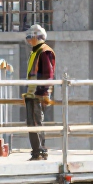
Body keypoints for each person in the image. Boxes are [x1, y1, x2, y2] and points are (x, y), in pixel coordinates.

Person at [23, 24, 55, 161]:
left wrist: (43, 92)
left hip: (38, 94)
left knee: (36, 123)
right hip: (32, 94)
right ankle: (36, 151)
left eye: (31, 37)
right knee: (32, 124)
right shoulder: (36, 52)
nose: (29, 40)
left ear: (37, 37)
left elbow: (48, 75)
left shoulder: (44, 51)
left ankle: (40, 151)